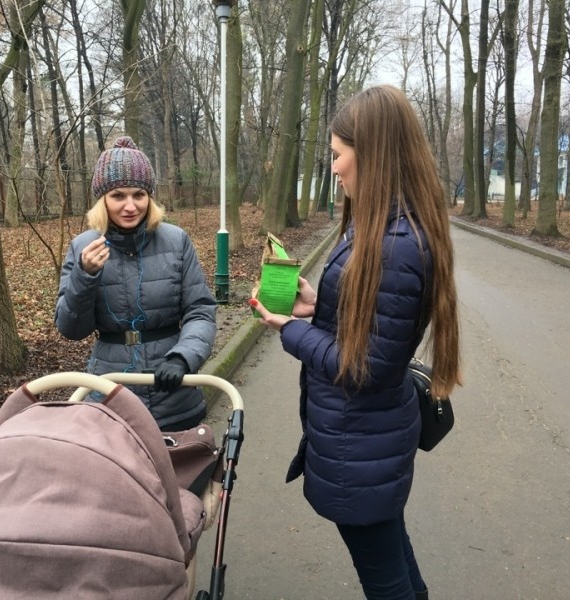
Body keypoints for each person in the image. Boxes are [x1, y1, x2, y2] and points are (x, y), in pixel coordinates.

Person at [250, 85, 462, 600]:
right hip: (363, 440)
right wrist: (314, 307)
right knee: (393, 561)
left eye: (338, 155)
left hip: (359, 443)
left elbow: (367, 368)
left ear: (372, 153)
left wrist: (289, 329)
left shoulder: (395, 244)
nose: (336, 169)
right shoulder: (381, 227)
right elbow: (363, 323)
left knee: (385, 579)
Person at [55, 136, 217, 431]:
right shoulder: (83, 247)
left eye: (139, 195)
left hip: (173, 395)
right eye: (118, 195)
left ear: (150, 197)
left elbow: (201, 311)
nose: (130, 206)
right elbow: (71, 329)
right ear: (103, 199)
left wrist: (183, 358)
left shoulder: (176, 240)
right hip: (110, 395)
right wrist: (85, 275)